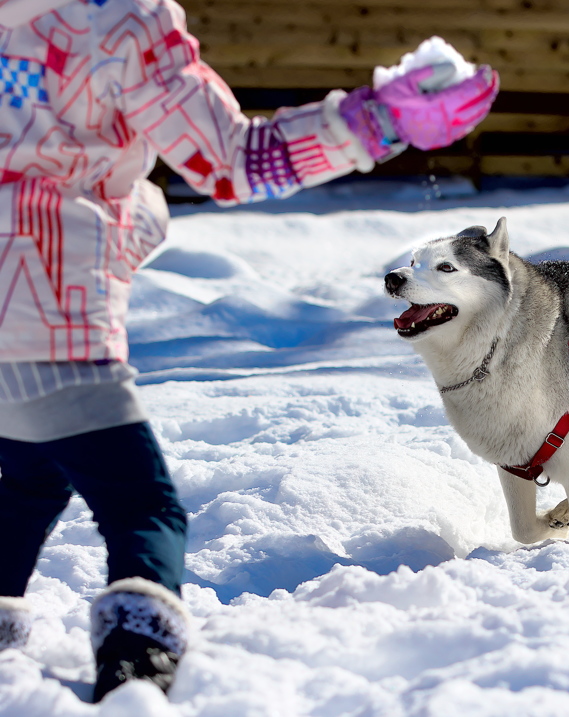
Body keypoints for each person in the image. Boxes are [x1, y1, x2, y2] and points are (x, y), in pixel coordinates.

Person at [0, 0, 498, 702]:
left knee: (29, 474)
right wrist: (377, 121)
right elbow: (235, 160)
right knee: (145, 511)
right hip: (53, 317)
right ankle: (136, 669)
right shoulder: (119, 23)